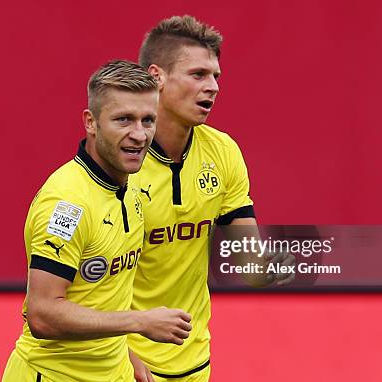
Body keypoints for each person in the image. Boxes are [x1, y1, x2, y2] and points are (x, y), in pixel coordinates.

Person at [127, 16, 296, 381]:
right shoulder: (121, 160)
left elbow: (248, 262)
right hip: (122, 363)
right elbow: (79, 288)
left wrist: (274, 267)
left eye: (216, 76)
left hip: (193, 363)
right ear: (157, 77)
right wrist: (119, 353)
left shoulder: (223, 152)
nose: (214, 86)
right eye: (198, 74)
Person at [2, 60, 193, 382]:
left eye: (148, 120)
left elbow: (101, 295)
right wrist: (139, 322)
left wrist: (125, 353)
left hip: (112, 373)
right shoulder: (67, 203)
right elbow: (43, 314)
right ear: (91, 122)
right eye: (123, 120)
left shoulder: (129, 189)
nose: (139, 134)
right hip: (52, 376)